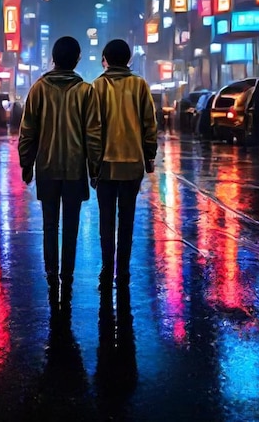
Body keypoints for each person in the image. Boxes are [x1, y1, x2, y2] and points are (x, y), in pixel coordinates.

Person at [18, 36, 102, 301]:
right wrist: (94, 167)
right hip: (75, 170)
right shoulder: (86, 91)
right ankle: (68, 273)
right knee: (71, 225)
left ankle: (51, 273)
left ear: (53, 58)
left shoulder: (39, 89)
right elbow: (94, 135)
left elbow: (27, 131)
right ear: (77, 59)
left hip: (47, 167)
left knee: (50, 224)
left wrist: (27, 163)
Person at [92, 39, 158, 289]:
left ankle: (107, 268)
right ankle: (124, 269)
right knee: (127, 218)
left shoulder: (97, 86)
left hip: (105, 165)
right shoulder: (139, 85)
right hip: (132, 164)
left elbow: (93, 129)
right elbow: (149, 124)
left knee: (106, 219)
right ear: (128, 59)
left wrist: (92, 163)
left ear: (105, 59)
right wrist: (149, 155)